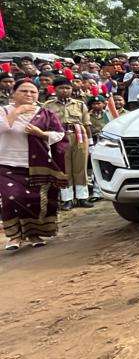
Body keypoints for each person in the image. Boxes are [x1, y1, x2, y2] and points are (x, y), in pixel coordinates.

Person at [0, 79, 68, 250]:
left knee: (36, 200)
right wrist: (17, 112)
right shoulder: (3, 111)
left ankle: (33, 234)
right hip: (7, 163)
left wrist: (42, 133)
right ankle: (14, 237)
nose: (29, 95)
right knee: (11, 198)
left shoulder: (45, 113)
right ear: (13, 93)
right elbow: (3, 128)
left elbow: (60, 134)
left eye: (33, 92)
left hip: (38, 164)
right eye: (24, 91)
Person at [44, 78, 93, 210]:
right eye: (61, 88)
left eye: (67, 88)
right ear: (55, 90)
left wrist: (91, 142)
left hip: (79, 136)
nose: (65, 90)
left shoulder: (80, 104)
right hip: (59, 137)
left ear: (72, 89)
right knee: (64, 168)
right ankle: (67, 199)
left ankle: (82, 197)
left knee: (80, 167)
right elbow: (45, 125)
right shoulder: (48, 105)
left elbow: (87, 123)